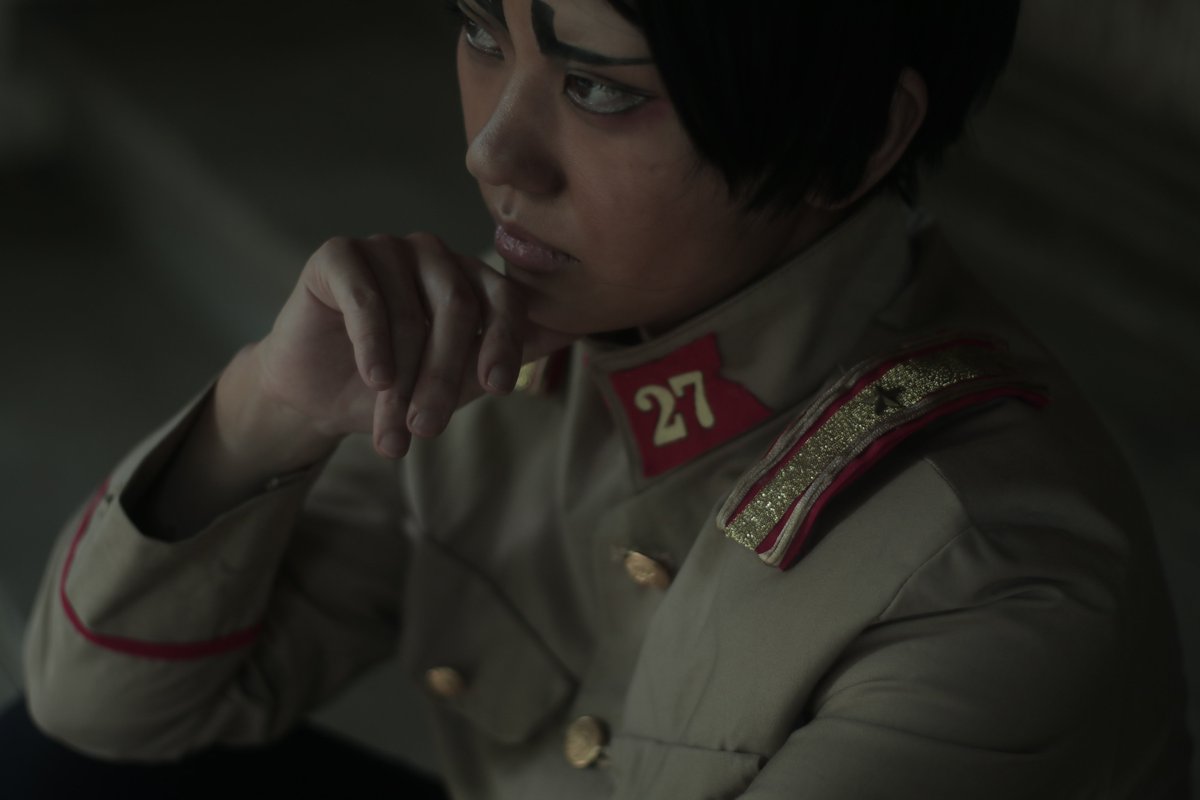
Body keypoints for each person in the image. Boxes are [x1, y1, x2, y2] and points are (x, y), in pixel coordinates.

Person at [6, 0, 1192, 797]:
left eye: (601, 89)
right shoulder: (521, 347)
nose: (492, 153)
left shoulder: (978, 574)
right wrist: (264, 406)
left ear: (856, 137)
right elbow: (102, 714)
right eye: (481, 30)